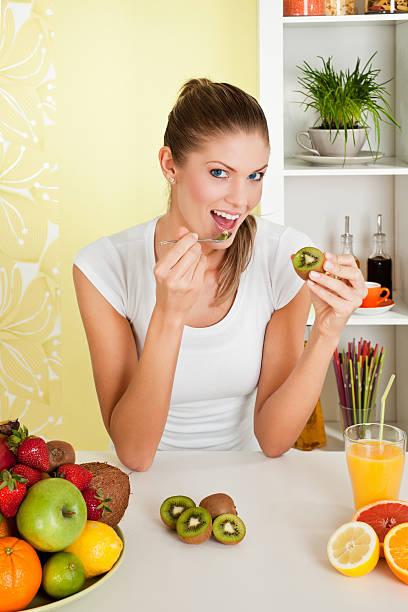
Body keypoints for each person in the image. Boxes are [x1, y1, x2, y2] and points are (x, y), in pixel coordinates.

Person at [72, 78, 367, 471]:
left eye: (255, 176)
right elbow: (135, 453)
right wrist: (170, 315)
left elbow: (275, 440)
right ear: (169, 165)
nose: (241, 199)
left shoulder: (281, 256)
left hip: (249, 482)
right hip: (144, 487)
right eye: (218, 173)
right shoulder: (103, 267)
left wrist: (328, 329)